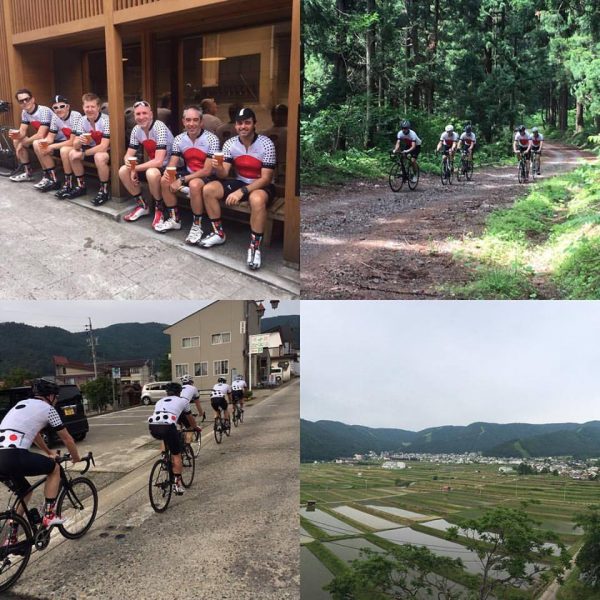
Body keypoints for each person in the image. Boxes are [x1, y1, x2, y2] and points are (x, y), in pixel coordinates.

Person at [0, 379, 81, 534]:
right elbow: (67, 438)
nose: (56, 400)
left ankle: (12, 537)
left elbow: (35, 434)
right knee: (55, 468)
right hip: (13, 455)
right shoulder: (48, 409)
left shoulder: (21, 405)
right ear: (50, 396)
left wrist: (49, 452)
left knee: (24, 491)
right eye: (56, 397)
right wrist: (76, 457)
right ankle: (49, 515)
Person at [202, 107, 277, 271]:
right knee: (209, 189)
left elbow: (266, 178)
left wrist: (242, 191)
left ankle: (255, 246)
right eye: (240, 123)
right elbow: (223, 174)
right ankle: (218, 233)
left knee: (256, 199)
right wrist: (219, 167)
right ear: (235, 125)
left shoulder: (266, 144)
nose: (243, 126)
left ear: (254, 124)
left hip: (262, 185)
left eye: (247, 123)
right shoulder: (230, 143)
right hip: (240, 181)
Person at [158, 105, 220, 239]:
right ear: (183, 122)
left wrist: (181, 180)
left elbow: (207, 170)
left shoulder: (211, 139)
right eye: (188, 120)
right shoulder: (179, 139)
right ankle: (175, 219)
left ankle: (197, 225)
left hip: (209, 176)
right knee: (164, 180)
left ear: (201, 122)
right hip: (189, 172)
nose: (191, 124)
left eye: (195, 120)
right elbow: (172, 164)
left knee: (195, 185)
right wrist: (169, 175)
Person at [120, 100, 174, 225]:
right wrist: (130, 165)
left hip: (170, 167)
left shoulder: (159, 127)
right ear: (134, 116)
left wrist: (135, 169)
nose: (141, 117)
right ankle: (142, 205)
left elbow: (159, 161)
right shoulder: (136, 130)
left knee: (151, 173)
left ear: (151, 114)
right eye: (138, 114)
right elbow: (128, 154)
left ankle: (159, 207)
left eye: (144, 113)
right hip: (154, 165)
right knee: (123, 170)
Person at [147, 381, 199, 495]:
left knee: (165, 438)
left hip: (153, 427)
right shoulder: (183, 401)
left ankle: (164, 458)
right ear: (179, 392)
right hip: (168, 426)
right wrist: (195, 428)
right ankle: (177, 484)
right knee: (176, 455)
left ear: (167, 393)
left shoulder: (160, 401)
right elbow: (189, 418)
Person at [58, 93, 111, 205]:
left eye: (92, 107)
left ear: (98, 107)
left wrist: (83, 154)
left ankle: (104, 191)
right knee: (72, 153)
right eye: (87, 107)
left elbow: (104, 146)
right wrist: (79, 142)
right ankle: (81, 186)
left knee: (99, 156)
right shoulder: (82, 120)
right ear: (83, 107)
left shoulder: (106, 120)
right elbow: (75, 144)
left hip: (107, 150)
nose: (89, 109)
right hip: (89, 147)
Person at [32, 95, 82, 193]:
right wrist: (43, 144)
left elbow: (72, 141)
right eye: (55, 107)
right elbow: (50, 137)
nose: (59, 109)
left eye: (62, 106)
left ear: (68, 106)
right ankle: (53, 179)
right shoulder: (55, 117)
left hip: (77, 143)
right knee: (37, 144)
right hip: (65, 142)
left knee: (63, 150)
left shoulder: (76, 115)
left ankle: (69, 183)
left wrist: (51, 147)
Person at [9, 89, 52, 183]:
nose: (24, 102)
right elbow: (23, 132)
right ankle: (28, 172)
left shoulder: (44, 110)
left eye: (27, 99)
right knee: (17, 140)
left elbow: (41, 134)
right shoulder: (25, 112)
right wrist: (15, 135)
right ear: (19, 103)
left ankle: (47, 175)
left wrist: (22, 144)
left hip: (54, 140)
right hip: (43, 139)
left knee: (37, 143)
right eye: (21, 101)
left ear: (33, 99)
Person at [261, 104, 288, 183]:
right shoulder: (264, 134)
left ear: (286, 115)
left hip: (285, 167)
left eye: (280, 114)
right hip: (268, 168)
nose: (277, 117)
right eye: (275, 114)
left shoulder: (291, 132)